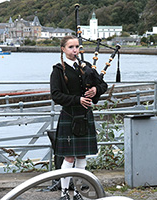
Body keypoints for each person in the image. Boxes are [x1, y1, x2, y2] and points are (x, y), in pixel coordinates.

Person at [50, 35, 107, 200]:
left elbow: (103, 85)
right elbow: (56, 95)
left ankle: (78, 193)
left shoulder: (86, 67)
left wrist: (96, 90)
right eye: (71, 47)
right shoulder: (58, 70)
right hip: (70, 114)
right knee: (69, 157)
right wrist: (78, 99)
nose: (75, 50)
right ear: (63, 49)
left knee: (82, 155)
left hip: (85, 114)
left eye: (77, 47)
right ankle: (64, 193)